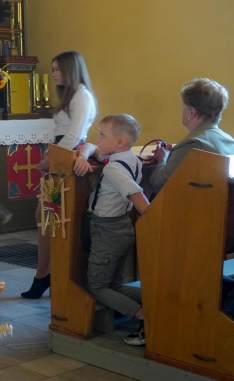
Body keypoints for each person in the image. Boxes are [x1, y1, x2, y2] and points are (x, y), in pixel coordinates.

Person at [22, 50, 97, 299]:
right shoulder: (72, 96)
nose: (53, 73)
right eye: (53, 69)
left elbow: (74, 134)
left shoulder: (82, 96)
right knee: (46, 217)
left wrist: (51, 158)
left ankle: (44, 275)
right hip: (60, 155)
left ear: (70, 69)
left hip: (66, 159)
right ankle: (43, 274)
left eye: (57, 69)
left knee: (49, 217)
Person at [73, 114, 150, 346]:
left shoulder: (113, 169)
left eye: (102, 135)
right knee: (114, 286)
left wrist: (153, 221)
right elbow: (90, 147)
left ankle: (145, 317)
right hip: (122, 227)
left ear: (119, 142)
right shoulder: (130, 159)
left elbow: (137, 195)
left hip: (108, 232)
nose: (98, 139)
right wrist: (83, 156)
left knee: (97, 287)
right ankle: (157, 303)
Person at [150, 78, 234, 194]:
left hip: (190, 206)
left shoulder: (192, 144)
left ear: (191, 112)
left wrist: (162, 159)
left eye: (184, 106)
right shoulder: (230, 142)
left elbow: (159, 185)